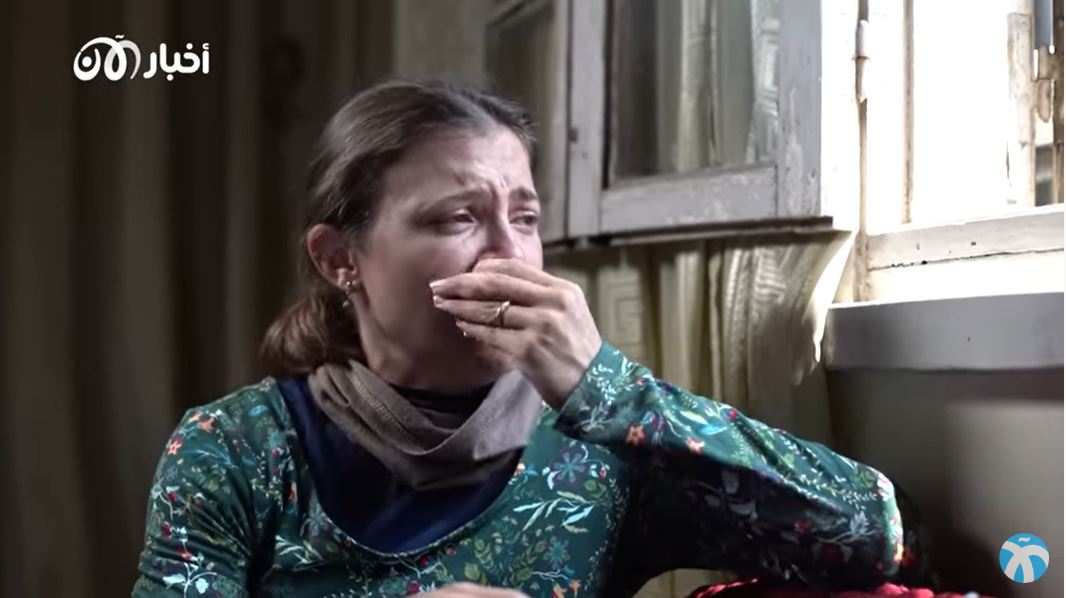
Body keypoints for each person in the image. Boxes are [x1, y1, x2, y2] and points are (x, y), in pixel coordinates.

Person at [133, 79, 924, 597]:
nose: (509, 256)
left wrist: (611, 391)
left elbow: (872, 536)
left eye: (525, 217)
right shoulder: (235, 449)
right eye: (457, 218)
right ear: (342, 260)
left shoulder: (605, 451)